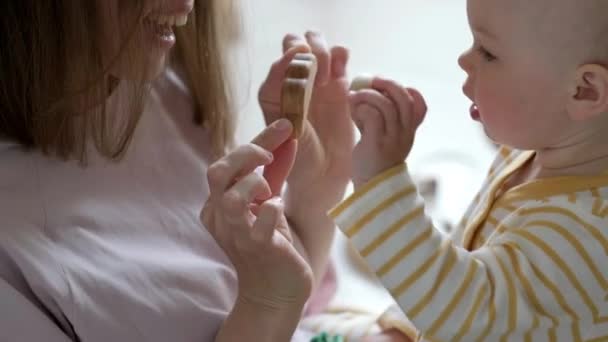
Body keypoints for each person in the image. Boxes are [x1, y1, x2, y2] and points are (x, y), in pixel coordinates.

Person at [0, 0, 406, 341]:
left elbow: (281, 298)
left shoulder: (157, 83)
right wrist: (265, 307)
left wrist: (319, 191)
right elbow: (269, 305)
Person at [328, 0, 608, 340]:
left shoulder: (579, 234)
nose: (464, 60)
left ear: (584, 90)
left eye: (488, 53)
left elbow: (464, 315)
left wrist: (381, 181)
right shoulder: (553, 145)